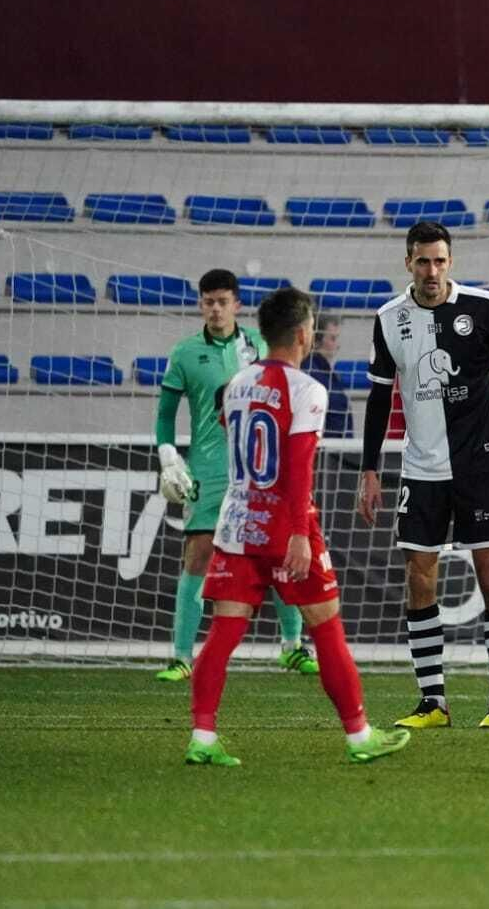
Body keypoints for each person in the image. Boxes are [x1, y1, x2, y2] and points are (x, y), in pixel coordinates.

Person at [183, 287, 410, 766]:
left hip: (238, 521)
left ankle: (202, 738)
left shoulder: (238, 382)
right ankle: (359, 736)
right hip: (286, 524)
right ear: (305, 335)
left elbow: (228, 427)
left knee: (224, 631)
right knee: (326, 629)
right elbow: (301, 465)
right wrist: (299, 533)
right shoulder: (308, 389)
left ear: (265, 333)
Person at [357, 221, 489, 731]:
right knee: (419, 578)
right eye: (422, 261)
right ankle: (433, 702)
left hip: (479, 465)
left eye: (440, 260)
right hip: (420, 469)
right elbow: (380, 398)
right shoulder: (388, 319)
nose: (432, 271)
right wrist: (370, 468)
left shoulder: (483, 307)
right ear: (408, 263)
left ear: (451, 262)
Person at [154, 268, 316, 683]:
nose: (215, 308)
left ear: (237, 305)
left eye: (222, 301)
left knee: (279, 552)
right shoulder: (185, 353)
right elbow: (166, 415)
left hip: (259, 469)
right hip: (208, 468)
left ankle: (292, 647)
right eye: (208, 301)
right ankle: (180, 657)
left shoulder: (262, 345)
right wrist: (168, 454)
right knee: (199, 553)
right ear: (200, 304)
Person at [303, 314, 354, 438]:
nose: (337, 345)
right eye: (333, 338)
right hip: (327, 450)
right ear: (316, 340)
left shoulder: (327, 373)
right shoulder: (312, 373)